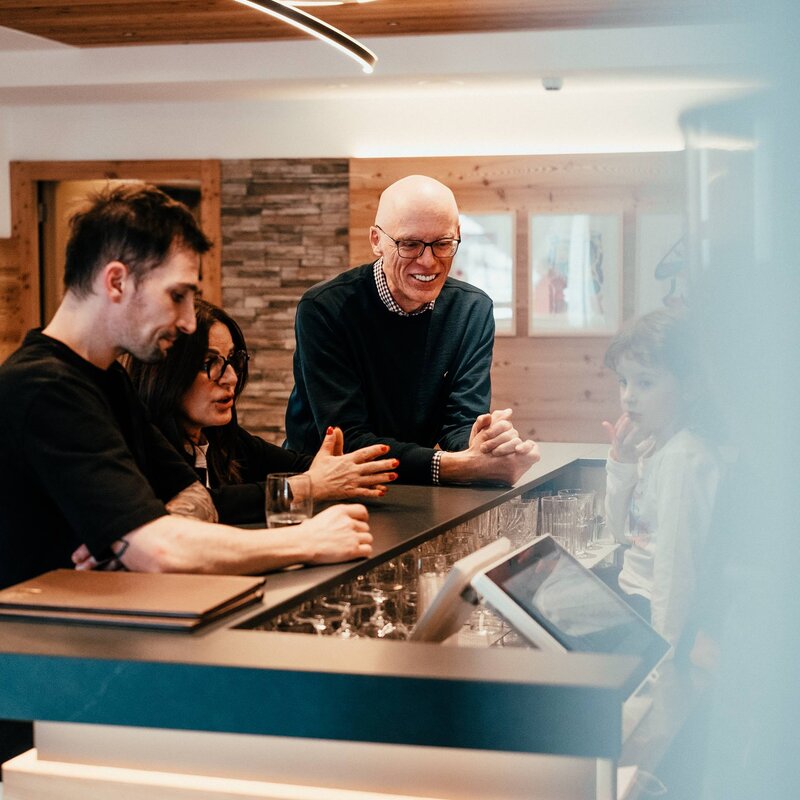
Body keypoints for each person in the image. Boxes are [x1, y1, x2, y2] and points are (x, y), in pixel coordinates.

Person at [0, 184, 372, 594]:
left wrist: (143, 538)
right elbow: (160, 553)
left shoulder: (108, 380)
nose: (189, 322)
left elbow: (195, 497)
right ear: (116, 282)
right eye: (177, 295)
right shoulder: (44, 386)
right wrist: (306, 540)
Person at [285, 174, 539, 486]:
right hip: (324, 489)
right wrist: (452, 466)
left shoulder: (472, 310)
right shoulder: (325, 309)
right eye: (410, 245)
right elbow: (347, 440)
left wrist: (479, 440)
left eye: (443, 244)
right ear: (377, 240)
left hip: (409, 489)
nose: (428, 261)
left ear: (457, 236)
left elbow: (459, 423)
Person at [127, 299, 398, 525]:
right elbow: (199, 505)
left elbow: (296, 465)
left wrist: (335, 467)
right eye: (209, 363)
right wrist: (308, 486)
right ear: (164, 371)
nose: (230, 377)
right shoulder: (141, 443)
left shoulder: (222, 438)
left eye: (233, 360)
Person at [601, 309, 721, 653]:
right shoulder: (656, 445)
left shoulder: (682, 458)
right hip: (634, 599)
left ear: (690, 387)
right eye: (623, 381)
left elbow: (675, 570)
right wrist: (621, 462)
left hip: (649, 612)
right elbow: (621, 533)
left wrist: (665, 658)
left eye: (645, 382)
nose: (628, 396)